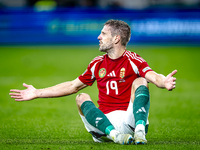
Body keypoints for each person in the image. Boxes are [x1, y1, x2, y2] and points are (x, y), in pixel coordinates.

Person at [9, 19, 177, 145]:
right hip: (103, 124)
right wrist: (37, 92)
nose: (99, 37)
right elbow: (72, 86)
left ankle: (140, 131)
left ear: (116, 38)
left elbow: (153, 76)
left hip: (129, 121)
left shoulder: (133, 60)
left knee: (141, 80)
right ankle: (114, 135)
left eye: (103, 34)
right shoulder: (97, 63)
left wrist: (164, 81)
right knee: (81, 97)